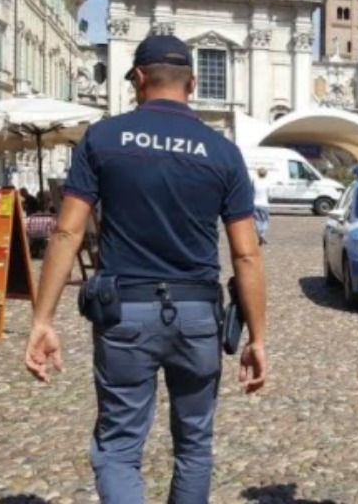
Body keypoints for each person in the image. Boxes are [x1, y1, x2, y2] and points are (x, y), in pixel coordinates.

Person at [24, 34, 268, 504]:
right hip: (198, 314)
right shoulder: (222, 152)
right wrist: (257, 336)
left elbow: (66, 233)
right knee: (195, 444)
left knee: (118, 447)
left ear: (139, 79)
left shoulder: (104, 137)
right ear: (192, 83)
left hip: (125, 312)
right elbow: (246, 255)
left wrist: (42, 319)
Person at [251, 167, 270, 245]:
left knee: (257, 220)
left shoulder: (254, 182)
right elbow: (269, 194)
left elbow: (251, 192)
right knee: (265, 220)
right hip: (264, 204)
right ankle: (262, 234)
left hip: (255, 203)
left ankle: (259, 235)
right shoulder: (267, 182)